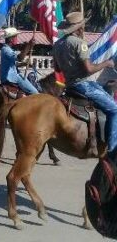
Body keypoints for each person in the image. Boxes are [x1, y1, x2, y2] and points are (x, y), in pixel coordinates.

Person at [53, 12, 117, 158]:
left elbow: (57, 68)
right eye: (83, 25)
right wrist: (106, 63)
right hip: (83, 85)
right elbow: (89, 69)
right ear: (79, 28)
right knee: (114, 109)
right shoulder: (79, 43)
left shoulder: (57, 44)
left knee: (106, 91)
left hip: (69, 86)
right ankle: (113, 151)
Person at [0, 27, 39, 95]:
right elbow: (20, 58)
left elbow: (13, 65)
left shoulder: (7, 49)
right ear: (11, 39)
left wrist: (24, 64)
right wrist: (29, 46)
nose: (16, 39)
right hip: (11, 77)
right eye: (15, 37)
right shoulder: (6, 50)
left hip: (9, 76)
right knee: (35, 93)